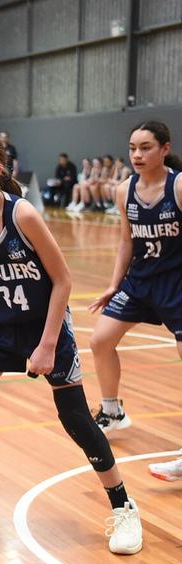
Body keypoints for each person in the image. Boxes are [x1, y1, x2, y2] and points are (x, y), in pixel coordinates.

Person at [0, 127, 142, 554]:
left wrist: (48, 343)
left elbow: (63, 280)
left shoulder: (23, 214)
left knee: (77, 421)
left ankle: (124, 506)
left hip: (43, 326)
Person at [88, 121, 182, 483]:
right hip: (140, 281)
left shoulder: (178, 185)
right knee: (100, 340)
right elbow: (127, 241)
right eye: (132, 148)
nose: (137, 155)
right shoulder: (124, 190)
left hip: (175, 283)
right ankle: (112, 411)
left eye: (145, 147)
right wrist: (114, 284)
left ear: (164, 149)